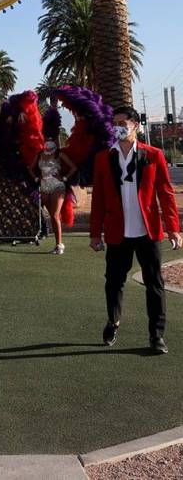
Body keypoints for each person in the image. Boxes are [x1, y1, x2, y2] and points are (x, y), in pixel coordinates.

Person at [90, 106, 182, 354]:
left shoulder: (154, 155)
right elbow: (98, 197)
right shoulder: (103, 158)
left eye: (123, 122)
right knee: (114, 282)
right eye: (115, 122)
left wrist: (173, 229)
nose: (118, 127)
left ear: (135, 125)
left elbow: (165, 193)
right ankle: (114, 321)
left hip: (147, 231)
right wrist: (94, 233)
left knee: (155, 284)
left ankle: (156, 336)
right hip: (118, 232)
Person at [31, 138, 77, 254]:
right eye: (47, 139)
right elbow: (30, 168)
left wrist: (65, 178)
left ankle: (59, 245)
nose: (49, 141)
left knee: (55, 215)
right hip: (44, 186)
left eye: (51, 139)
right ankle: (57, 243)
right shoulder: (39, 154)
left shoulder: (58, 154)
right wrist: (36, 178)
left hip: (57, 186)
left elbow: (73, 167)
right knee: (52, 215)